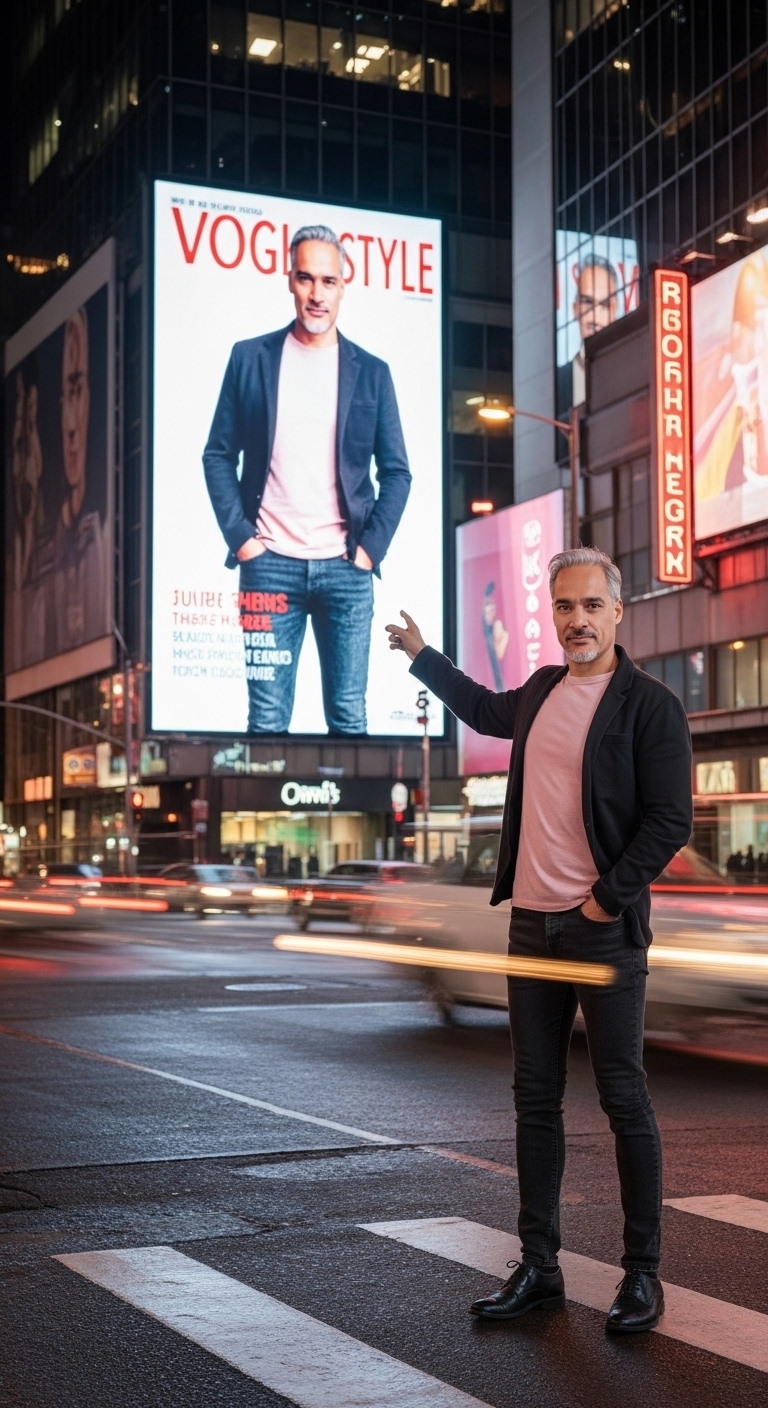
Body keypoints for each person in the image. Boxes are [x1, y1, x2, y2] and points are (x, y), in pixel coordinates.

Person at [386, 546, 692, 1335]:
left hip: (602, 934)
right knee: (535, 1101)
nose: (577, 620)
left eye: (591, 605)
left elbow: (670, 821)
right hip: (530, 927)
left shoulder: (649, 706)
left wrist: (603, 903)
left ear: (618, 611)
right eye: (564, 607)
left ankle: (642, 1275)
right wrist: (425, 657)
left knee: (624, 1099)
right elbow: (484, 709)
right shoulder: (542, 691)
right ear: (551, 616)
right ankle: (541, 1268)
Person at [203, 224, 411, 736]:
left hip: (346, 570)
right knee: (266, 719)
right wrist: (244, 541)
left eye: (328, 281)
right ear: (289, 280)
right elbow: (217, 454)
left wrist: (368, 553)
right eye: (305, 279)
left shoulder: (372, 373)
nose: (317, 294)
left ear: (345, 283)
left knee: (349, 715)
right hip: (267, 567)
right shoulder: (249, 359)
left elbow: (398, 472)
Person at [53, 306, 110, 656]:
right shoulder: (48, 556)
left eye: (80, 390)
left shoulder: (102, 540)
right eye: (66, 396)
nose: (72, 425)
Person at [571, 255, 619, 405]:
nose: (595, 317)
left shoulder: (630, 371)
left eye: (604, 304)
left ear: (614, 311)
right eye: (588, 303)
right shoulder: (558, 380)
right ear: (575, 309)